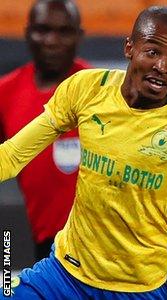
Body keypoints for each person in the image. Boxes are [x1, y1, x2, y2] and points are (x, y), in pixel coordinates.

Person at [1, 5, 167, 299]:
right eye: (153, 52)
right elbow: (12, 156)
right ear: (129, 48)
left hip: (134, 291)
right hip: (61, 276)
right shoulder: (87, 89)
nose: (163, 66)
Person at [0, 0, 89, 261]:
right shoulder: (5, 94)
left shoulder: (99, 91)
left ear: (79, 36)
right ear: (28, 34)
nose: (52, 41)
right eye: (43, 29)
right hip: (47, 248)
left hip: (102, 243)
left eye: (64, 31)